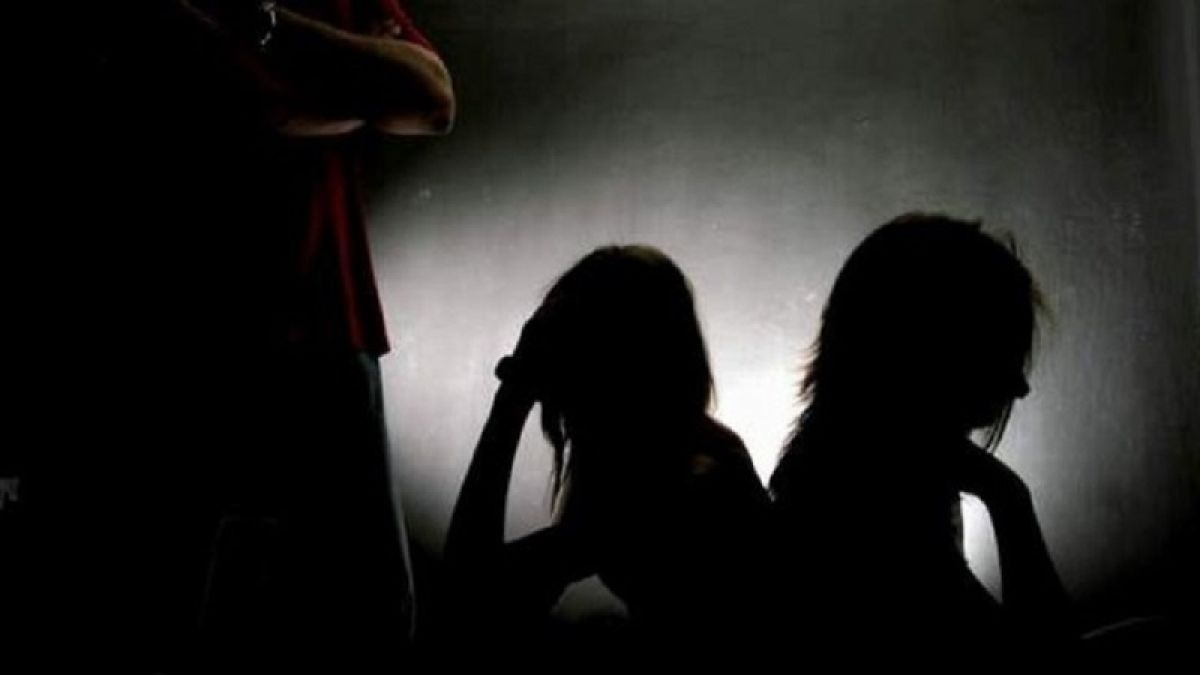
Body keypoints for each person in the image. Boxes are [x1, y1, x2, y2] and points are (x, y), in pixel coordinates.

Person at [74, 1, 454, 670]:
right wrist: (356, 78)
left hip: (331, 334)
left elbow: (432, 100)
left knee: (369, 615)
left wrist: (263, 23)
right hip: (180, 344)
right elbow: (235, 108)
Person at [769, 213, 1073, 665]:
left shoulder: (840, 483)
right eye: (1000, 350)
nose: (1020, 386)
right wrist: (1009, 499)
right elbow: (1046, 668)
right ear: (937, 350)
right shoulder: (877, 521)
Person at [443, 245, 771, 659]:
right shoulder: (655, 457)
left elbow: (469, 592)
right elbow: (487, 597)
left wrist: (511, 400)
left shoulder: (688, 481)